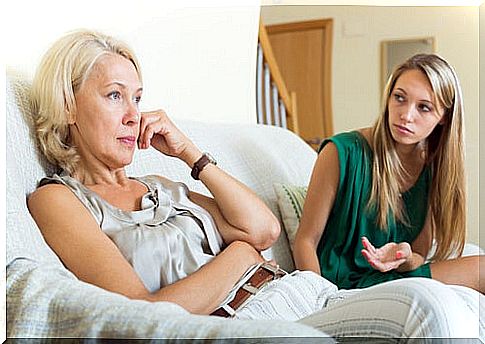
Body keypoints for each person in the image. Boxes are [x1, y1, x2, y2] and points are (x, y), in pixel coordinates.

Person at [27, 30, 482, 340]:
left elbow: (264, 230)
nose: (133, 114)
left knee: (448, 307)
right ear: (68, 104)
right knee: (428, 310)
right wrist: (239, 257)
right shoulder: (59, 199)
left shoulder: (159, 183)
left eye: (138, 98)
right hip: (247, 317)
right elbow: (139, 314)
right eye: (114, 95)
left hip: (299, 292)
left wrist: (190, 152)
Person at [294, 53, 484, 294]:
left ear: (444, 118)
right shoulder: (341, 152)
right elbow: (305, 241)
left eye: (423, 107)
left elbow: (417, 257)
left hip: (394, 281)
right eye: (400, 98)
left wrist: (404, 256)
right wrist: (319, 297)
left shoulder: (432, 170)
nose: (406, 115)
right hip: (342, 286)